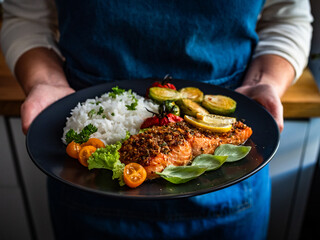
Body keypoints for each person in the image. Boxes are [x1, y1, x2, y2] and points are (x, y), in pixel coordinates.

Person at [1, 0, 313, 239]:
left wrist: (266, 80)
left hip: (232, 190)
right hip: (85, 183)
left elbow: (286, 17)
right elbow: (25, 16)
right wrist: (45, 82)